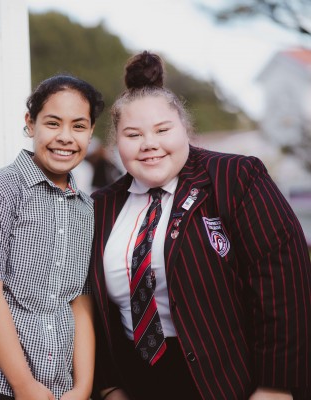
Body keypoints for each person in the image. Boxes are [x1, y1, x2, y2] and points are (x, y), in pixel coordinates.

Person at [89, 51, 311, 400]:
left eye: (163, 130)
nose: (149, 144)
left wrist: (276, 386)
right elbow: (93, 306)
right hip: (137, 384)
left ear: (185, 129)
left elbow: (283, 280)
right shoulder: (101, 205)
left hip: (229, 384)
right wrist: (108, 385)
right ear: (117, 141)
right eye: (133, 135)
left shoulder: (236, 178)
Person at [0, 75, 105, 400]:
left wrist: (83, 387)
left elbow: (79, 300)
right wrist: (23, 385)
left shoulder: (86, 208)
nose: (65, 137)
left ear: (90, 132)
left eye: (78, 126)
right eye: (53, 123)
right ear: (31, 124)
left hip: (56, 387)